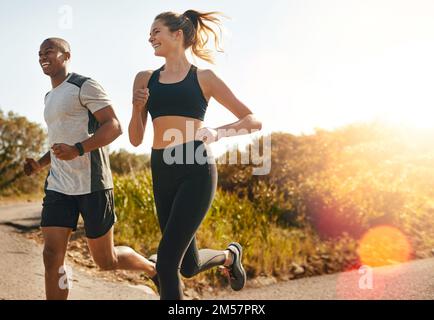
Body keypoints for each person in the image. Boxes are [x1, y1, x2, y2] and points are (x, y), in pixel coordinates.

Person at [128, 10, 262, 300]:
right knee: (187, 265)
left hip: (195, 165)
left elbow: (252, 120)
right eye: (150, 33)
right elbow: (136, 139)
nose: (150, 38)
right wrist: (138, 109)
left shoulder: (204, 77)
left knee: (165, 262)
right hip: (161, 165)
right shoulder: (144, 78)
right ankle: (229, 256)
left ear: (177, 35)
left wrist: (217, 133)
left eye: (156, 32)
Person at [24, 38, 157, 300]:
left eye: (48, 51)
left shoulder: (84, 85)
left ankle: (154, 269)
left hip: (93, 184)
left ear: (66, 55)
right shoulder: (49, 96)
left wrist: (78, 149)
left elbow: (114, 126)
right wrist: (39, 164)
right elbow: (57, 142)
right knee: (51, 256)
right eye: (39, 53)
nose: (42, 56)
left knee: (105, 260)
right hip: (59, 186)